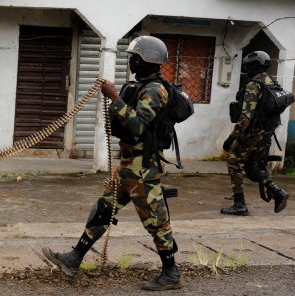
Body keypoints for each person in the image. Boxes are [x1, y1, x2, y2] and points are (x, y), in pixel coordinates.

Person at [42, 36, 181, 291]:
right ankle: (74, 258)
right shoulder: (141, 85)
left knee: (156, 221)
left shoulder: (155, 90)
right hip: (128, 166)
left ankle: (171, 273)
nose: (131, 62)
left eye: (134, 58)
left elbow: (138, 125)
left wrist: (115, 98)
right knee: (103, 210)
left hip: (143, 169)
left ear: (144, 60)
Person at [221, 51, 288, 216]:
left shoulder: (254, 84)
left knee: (233, 162)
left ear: (254, 65)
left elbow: (246, 116)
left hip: (251, 134)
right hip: (266, 135)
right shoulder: (272, 83)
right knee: (250, 166)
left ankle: (239, 204)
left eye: (248, 66)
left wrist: (232, 137)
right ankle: (277, 192)